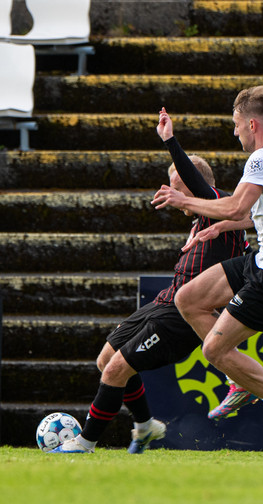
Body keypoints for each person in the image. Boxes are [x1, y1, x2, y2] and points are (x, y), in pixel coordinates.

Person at [51, 109, 251, 453]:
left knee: (115, 370)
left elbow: (199, 185)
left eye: (176, 185)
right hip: (164, 301)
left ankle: (84, 443)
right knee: (105, 360)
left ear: (193, 185)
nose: (171, 193)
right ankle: (145, 426)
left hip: (182, 316)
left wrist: (170, 141)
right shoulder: (205, 222)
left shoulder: (216, 204)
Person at [151, 85, 263, 456]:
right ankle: (238, 378)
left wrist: (183, 199)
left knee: (214, 349)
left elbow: (235, 207)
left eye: (237, 125)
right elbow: (256, 216)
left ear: (252, 124)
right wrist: (221, 227)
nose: (235, 132)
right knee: (188, 299)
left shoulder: (262, 160)